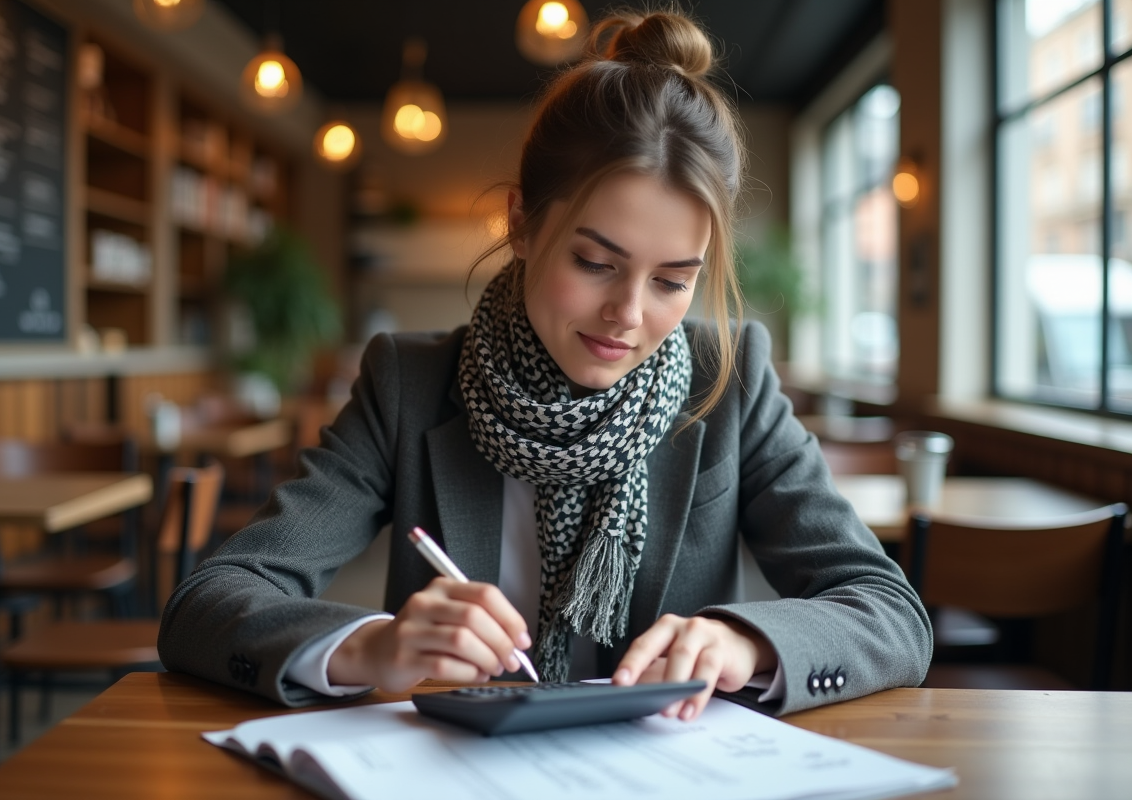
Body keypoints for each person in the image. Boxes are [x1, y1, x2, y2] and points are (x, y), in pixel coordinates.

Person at [158, 8, 931, 721]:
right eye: (596, 262)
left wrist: (744, 644)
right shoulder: (410, 385)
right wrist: (367, 646)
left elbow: (889, 614)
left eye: (672, 281)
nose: (629, 315)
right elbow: (208, 601)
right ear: (522, 223)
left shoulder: (728, 382)